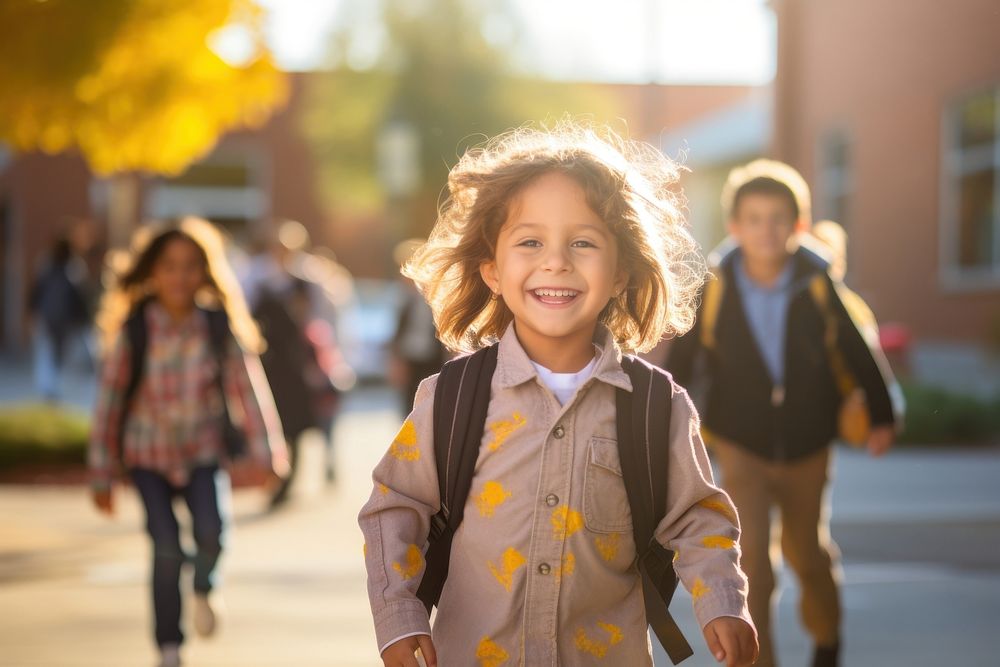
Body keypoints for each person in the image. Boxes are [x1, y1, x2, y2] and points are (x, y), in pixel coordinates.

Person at [359, 124, 758, 667]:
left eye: (583, 242)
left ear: (620, 272)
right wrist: (397, 617)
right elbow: (393, 509)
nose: (556, 261)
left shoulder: (654, 406)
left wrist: (722, 603)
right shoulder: (451, 398)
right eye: (530, 241)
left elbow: (698, 517)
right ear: (493, 271)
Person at [666, 160, 898, 667]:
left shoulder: (816, 284)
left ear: (798, 226)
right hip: (739, 440)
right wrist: (663, 424)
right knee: (752, 565)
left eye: (778, 219)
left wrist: (882, 416)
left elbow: (860, 352)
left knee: (807, 554)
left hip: (807, 443)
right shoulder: (717, 285)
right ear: (735, 227)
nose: (765, 230)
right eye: (753, 218)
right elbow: (683, 361)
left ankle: (827, 636)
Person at [88, 217, 288, 667]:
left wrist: (269, 454)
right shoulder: (135, 330)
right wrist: (101, 473)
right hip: (147, 458)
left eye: (190, 266)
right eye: (168, 266)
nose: (179, 276)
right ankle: (169, 647)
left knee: (212, 533)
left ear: (205, 272)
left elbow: (248, 392)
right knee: (165, 546)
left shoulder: (217, 329)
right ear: (151, 273)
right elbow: (109, 403)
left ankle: (204, 587)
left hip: (201, 454)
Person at [28, 235, 91, 401]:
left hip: (48, 314)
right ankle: (53, 388)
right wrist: (83, 318)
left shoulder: (47, 263)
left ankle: (49, 386)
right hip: (64, 317)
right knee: (59, 352)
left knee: (48, 352)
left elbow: (36, 290)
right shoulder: (74, 267)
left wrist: (33, 310)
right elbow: (80, 296)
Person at [389, 239, 447, 414]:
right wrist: (396, 360)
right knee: (409, 406)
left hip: (434, 359)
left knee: (432, 406)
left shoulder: (440, 295)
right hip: (411, 359)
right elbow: (398, 331)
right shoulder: (404, 297)